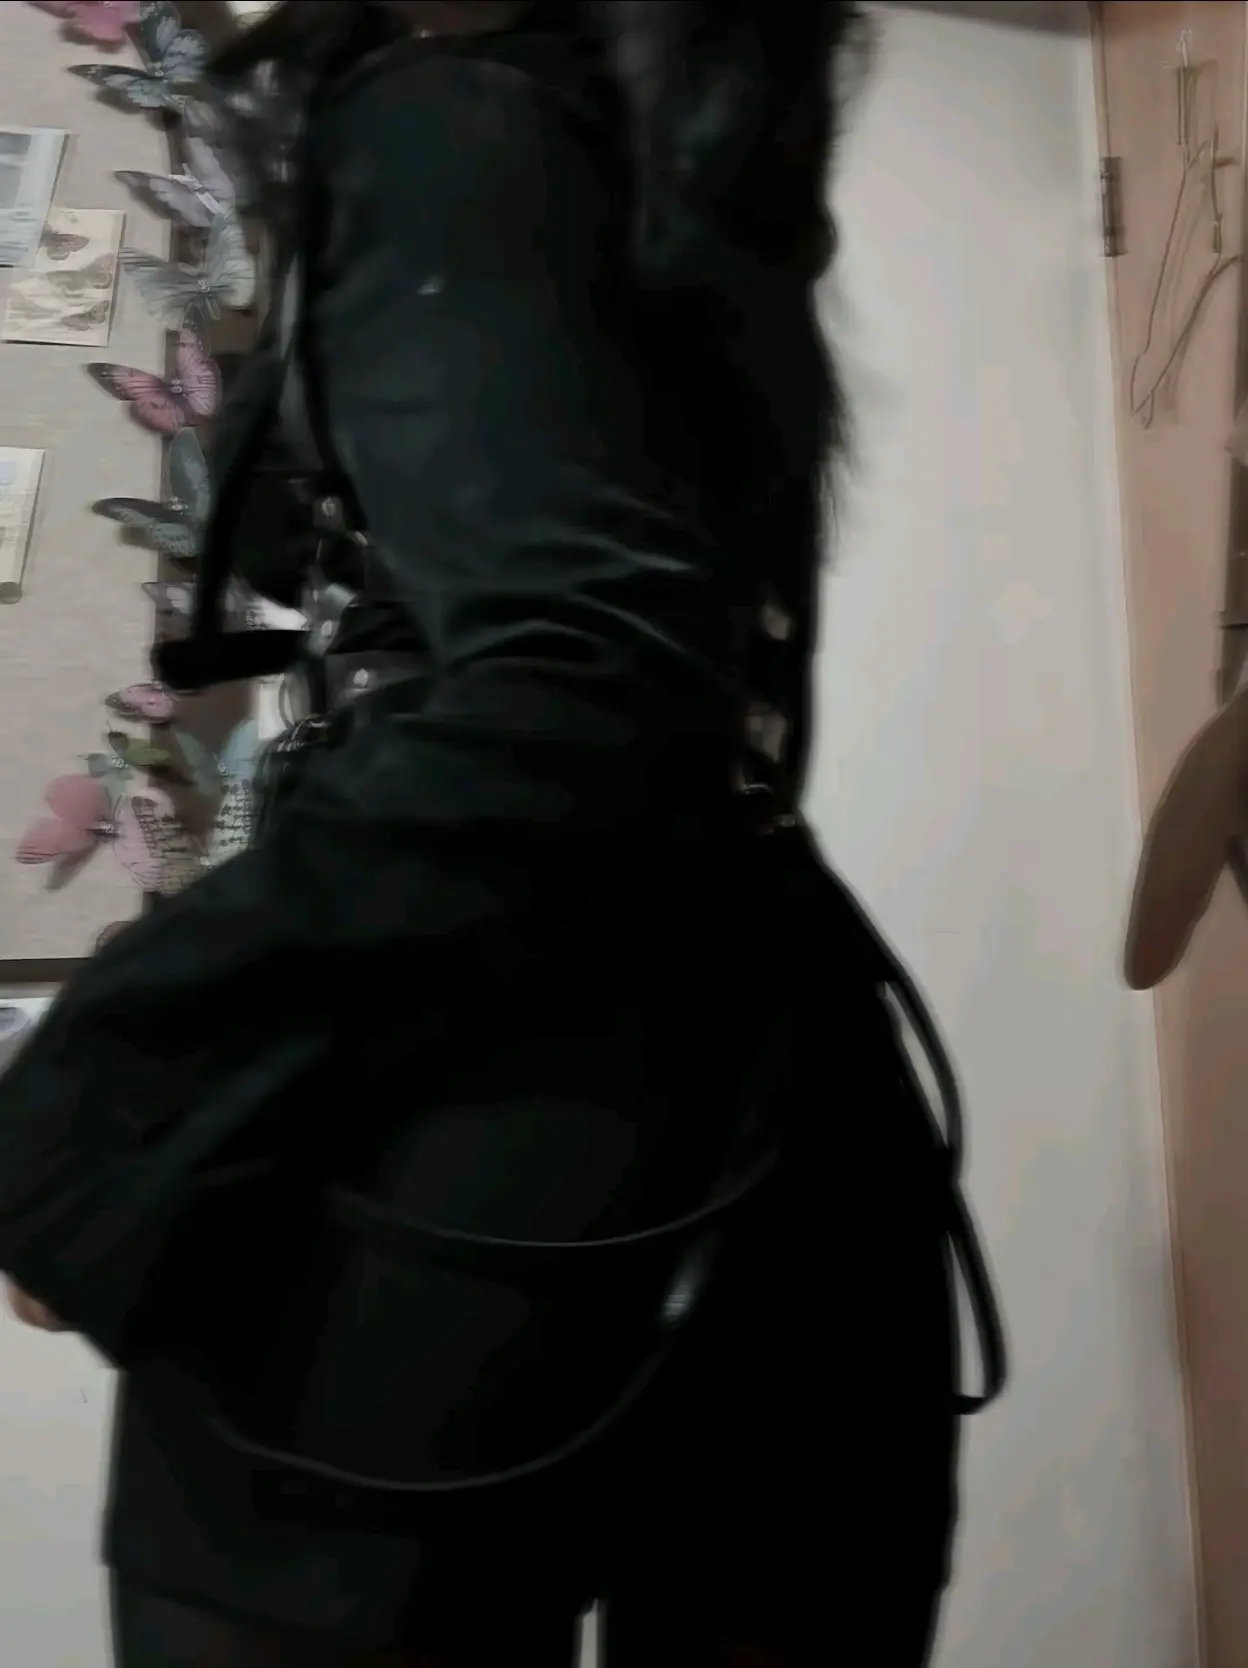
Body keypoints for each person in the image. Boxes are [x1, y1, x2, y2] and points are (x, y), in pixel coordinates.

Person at [0, 3, 1005, 1664]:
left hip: (463, 1154)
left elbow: (578, 678)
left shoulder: (455, 122)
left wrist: (108, 1089)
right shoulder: (669, 153)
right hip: (782, 1119)